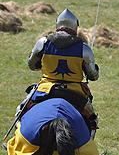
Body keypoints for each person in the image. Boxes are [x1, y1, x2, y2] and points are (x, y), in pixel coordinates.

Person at [23, 8, 100, 137]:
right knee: (91, 120)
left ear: (58, 24)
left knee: (22, 110)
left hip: (46, 88)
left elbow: (31, 65)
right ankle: (89, 149)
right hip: (75, 92)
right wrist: (94, 68)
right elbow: (93, 76)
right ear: (75, 26)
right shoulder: (83, 48)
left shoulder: (43, 42)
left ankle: (17, 139)